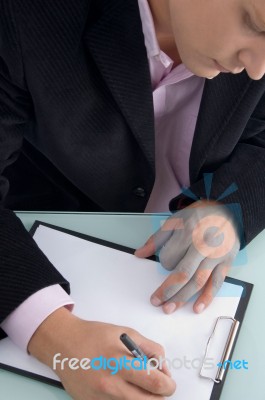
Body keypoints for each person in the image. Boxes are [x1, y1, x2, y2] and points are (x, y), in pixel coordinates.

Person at [0, 0, 265, 398]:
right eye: (253, 23)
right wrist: (54, 334)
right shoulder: (24, 17)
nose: (260, 67)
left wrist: (229, 208)